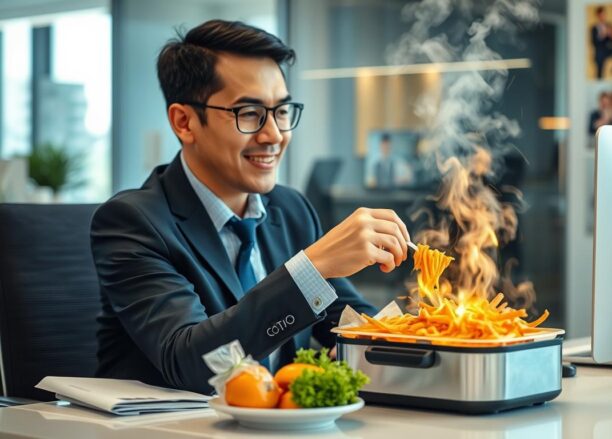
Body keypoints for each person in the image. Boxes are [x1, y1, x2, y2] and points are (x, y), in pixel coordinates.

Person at [90, 20, 411, 394]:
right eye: (248, 113)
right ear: (185, 122)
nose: (274, 134)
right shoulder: (133, 223)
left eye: (282, 111)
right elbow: (196, 364)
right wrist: (311, 269)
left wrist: (432, 333)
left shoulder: (290, 209)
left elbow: (347, 323)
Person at [590, 6, 612, 79]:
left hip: (608, 48)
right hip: (599, 51)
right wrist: (602, 35)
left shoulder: (608, 25)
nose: (603, 17)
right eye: (601, 15)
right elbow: (593, 42)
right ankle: (599, 77)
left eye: (604, 15)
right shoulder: (594, 28)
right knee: (600, 72)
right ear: (597, 16)